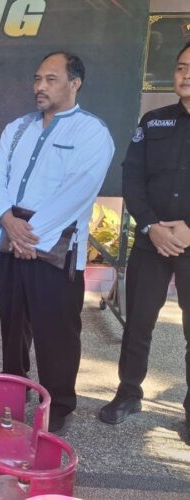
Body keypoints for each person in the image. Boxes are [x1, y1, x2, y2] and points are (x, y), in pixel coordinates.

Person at [0, 52, 115, 434]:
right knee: (12, 322)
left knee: (56, 330)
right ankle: (13, 387)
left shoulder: (91, 132)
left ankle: (58, 403)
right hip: (12, 234)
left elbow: (77, 190)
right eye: (37, 79)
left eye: (51, 79)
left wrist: (31, 235)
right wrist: (7, 219)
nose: (40, 86)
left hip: (56, 242)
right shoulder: (17, 128)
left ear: (75, 83)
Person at [99, 42, 190, 438]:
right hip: (151, 242)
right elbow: (132, 178)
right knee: (138, 323)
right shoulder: (154, 122)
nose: (186, 74)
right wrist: (152, 225)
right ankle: (128, 393)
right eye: (181, 66)